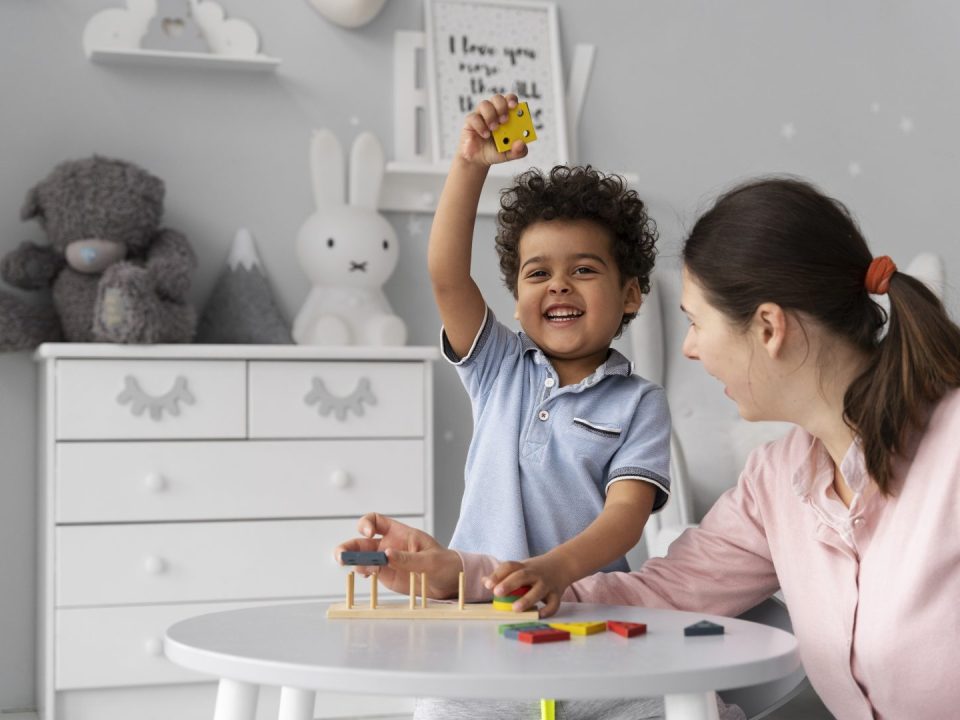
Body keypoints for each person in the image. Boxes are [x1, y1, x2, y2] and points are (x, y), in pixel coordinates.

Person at [338, 176, 960, 720]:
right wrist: (462, 575)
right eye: (539, 273)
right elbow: (658, 595)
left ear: (768, 328)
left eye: (695, 322)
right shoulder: (775, 483)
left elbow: (627, 530)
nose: (690, 348)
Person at [426, 91, 671, 600]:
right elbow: (447, 276)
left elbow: (626, 517)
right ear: (517, 302)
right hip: (480, 599)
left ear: (630, 295)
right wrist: (470, 166)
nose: (558, 285)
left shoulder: (640, 403)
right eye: (538, 274)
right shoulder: (498, 366)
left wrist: (555, 571)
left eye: (583, 269)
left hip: (582, 606)